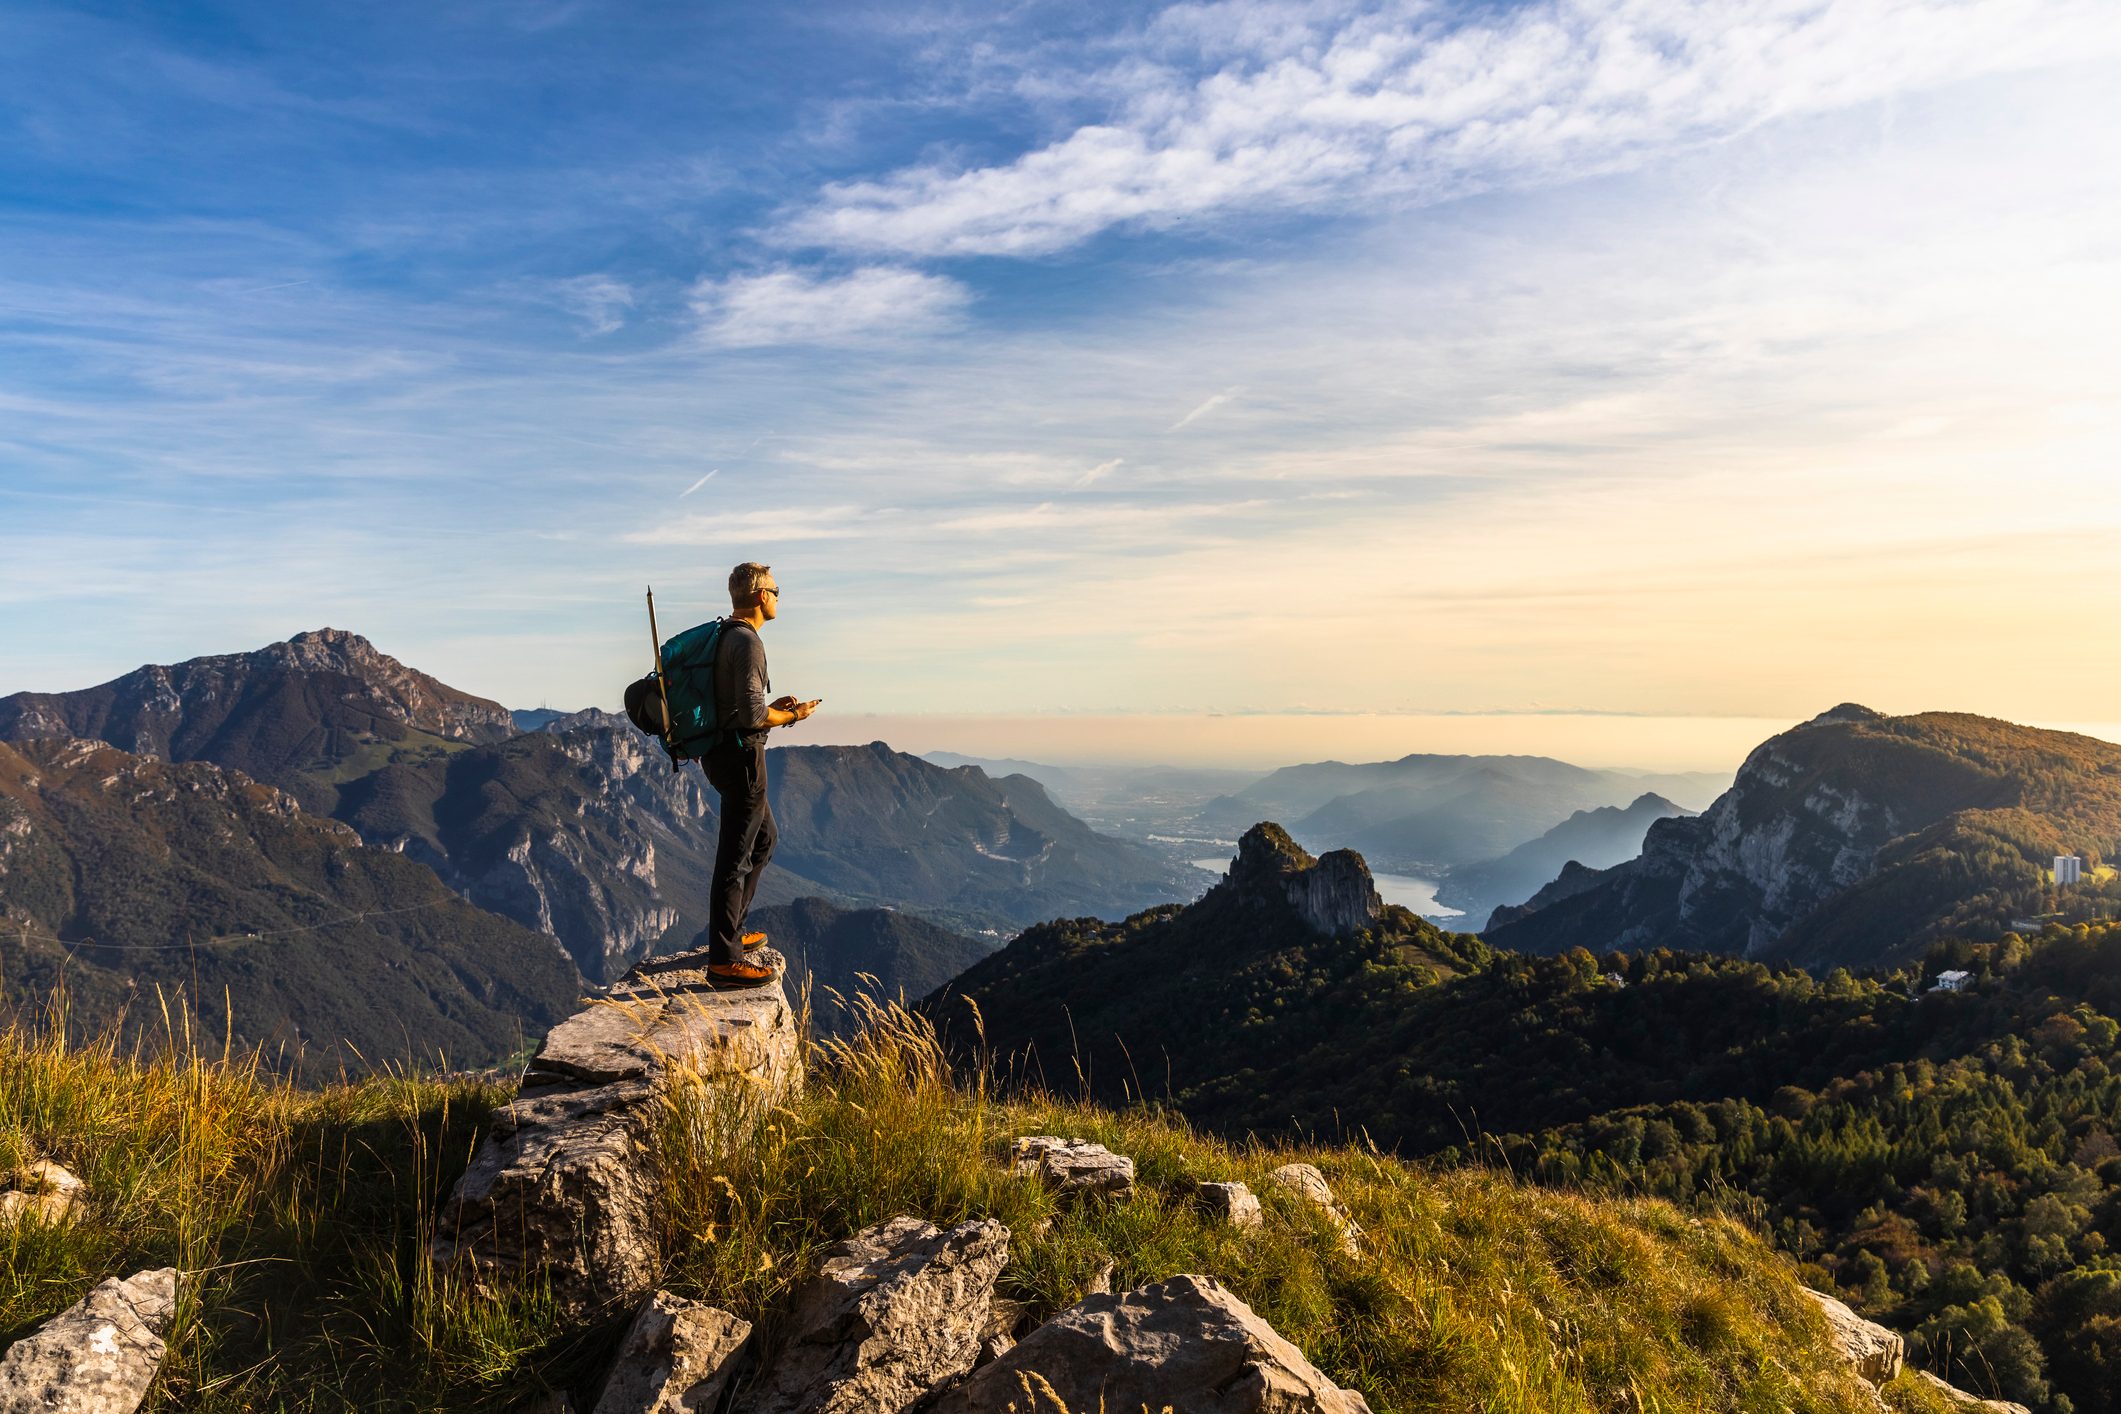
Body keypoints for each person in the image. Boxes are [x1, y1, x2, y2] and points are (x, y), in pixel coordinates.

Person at [701, 561, 820, 987]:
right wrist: (794, 716)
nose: (777, 596)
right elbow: (751, 714)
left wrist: (779, 710)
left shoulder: (723, 637)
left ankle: (732, 935)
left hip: (719, 753)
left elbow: (735, 703)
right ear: (758, 596)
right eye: (775, 589)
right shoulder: (748, 643)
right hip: (742, 759)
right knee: (735, 854)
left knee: (764, 840)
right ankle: (724, 958)